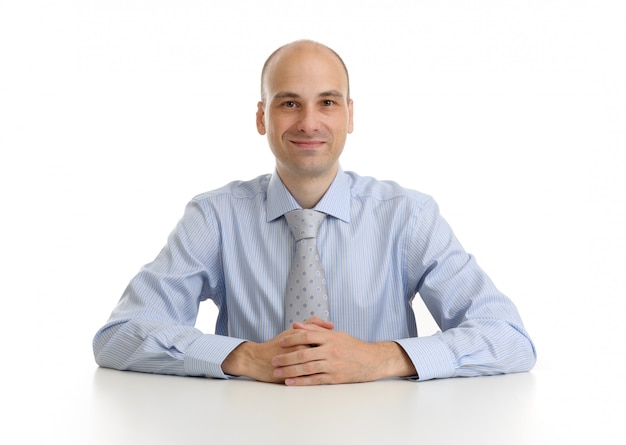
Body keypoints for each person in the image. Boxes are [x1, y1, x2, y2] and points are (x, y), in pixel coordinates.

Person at [93, 40, 536, 385]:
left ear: (349, 115)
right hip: (245, 428)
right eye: (289, 103)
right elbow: (120, 335)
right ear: (262, 117)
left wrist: (378, 358)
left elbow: (510, 339)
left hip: (388, 430)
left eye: (327, 102)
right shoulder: (214, 217)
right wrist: (247, 356)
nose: (309, 122)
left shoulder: (408, 216)